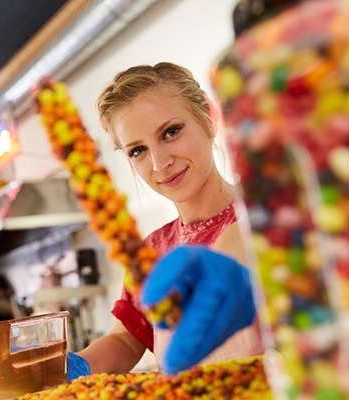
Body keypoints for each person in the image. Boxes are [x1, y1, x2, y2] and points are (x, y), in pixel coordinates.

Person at [68, 62, 263, 379]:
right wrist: (72, 366)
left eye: (171, 132)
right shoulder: (152, 251)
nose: (160, 163)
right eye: (138, 151)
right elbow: (126, 340)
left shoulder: (268, 215)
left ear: (209, 117)